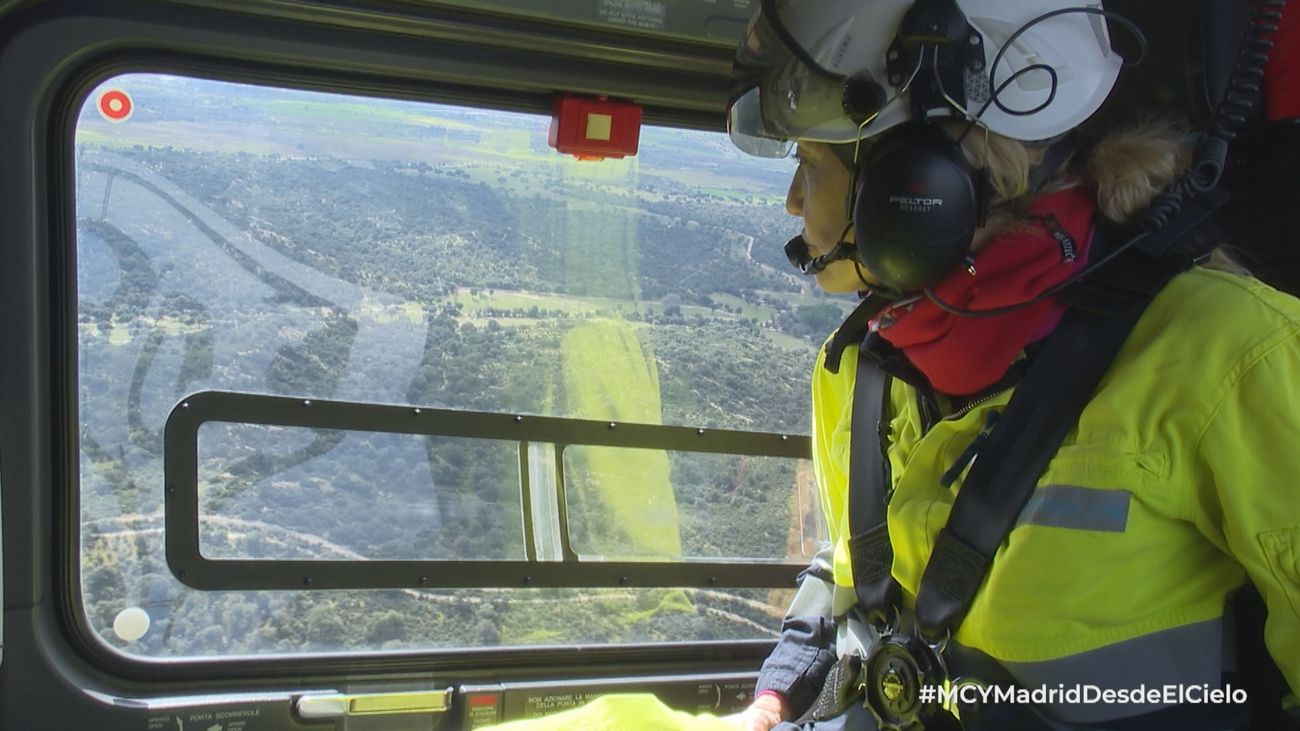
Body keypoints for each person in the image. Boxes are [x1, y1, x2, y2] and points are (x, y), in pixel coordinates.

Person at [727, 0, 1300, 729]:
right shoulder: (860, 369)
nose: (791, 201)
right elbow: (848, 565)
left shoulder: (1229, 353)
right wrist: (775, 696)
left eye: (810, 162)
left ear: (918, 187)